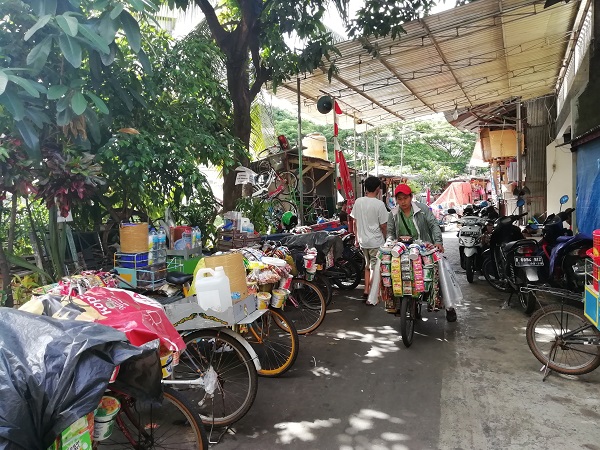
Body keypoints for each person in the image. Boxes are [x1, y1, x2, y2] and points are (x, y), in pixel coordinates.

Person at [387, 184, 457, 322]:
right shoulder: (393, 214)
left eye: (405, 198)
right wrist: (389, 243)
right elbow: (390, 232)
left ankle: (449, 306)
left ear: (411, 197)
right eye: (399, 199)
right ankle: (396, 304)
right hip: (403, 250)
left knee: (440, 273)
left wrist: (438, 242)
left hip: (425, 248)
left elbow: (433, 225)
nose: (403, 202)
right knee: (392, 272)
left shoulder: (423, 209)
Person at [349, 176, 389, 301]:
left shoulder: (358, 201)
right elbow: (383, 226)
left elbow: (354, 222)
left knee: (367, 266)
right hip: (375, 241)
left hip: (363, 241)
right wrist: (386, 239)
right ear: (377, 189)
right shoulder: (379, 204)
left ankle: (366, 290)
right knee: (374, 268)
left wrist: (356, 238)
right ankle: (372, 293)